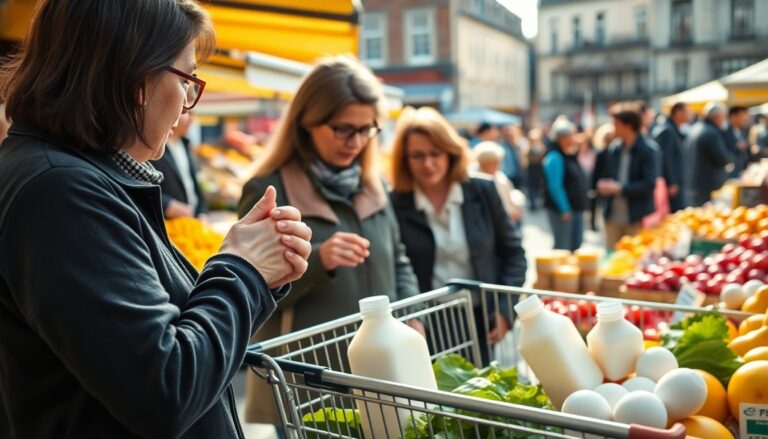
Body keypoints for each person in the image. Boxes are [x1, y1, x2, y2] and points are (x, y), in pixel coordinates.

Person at [0, 1, 312, 438]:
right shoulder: (59, 191)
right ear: (135, 77)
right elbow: (166, 387)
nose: (188, 105)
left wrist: (257, 275)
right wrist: (242, 271)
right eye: (186, 79)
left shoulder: (74, 177)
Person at [237, 55, 420, 427]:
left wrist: (412, 314)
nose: (356, 141)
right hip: (307, 386)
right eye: (343, 129)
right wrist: (320, 259)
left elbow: (398, 260)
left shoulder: (374, 185)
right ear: (307, 123)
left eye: (367, 129)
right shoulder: (268, 190)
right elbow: (248, 291)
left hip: (381, 371)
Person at [388, 107, 527, 363]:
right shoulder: (394, 203)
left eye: (435, 153)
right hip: (423, 323)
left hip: (480, 317)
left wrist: (505, 309)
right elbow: (393, 268)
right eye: (417, 156)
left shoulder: (483, 190)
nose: (428, 164)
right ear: (404, 160)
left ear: (451, 152)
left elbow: (514, 254)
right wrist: (409, 315)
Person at [596, 103, 659, 248]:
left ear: (628, 126)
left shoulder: (648, 151)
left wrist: (620, 188)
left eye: (616, 124)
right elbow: (607, 174)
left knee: (634, 260)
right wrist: (603, 185)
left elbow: (649, 184)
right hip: (612, 216)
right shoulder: (614, 148)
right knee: (611, 261)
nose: (613, 128)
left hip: (636, 217)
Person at [543, 118, 588, 251]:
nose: (574, 139)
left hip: (575, 208)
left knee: (575, 244)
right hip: (563, 210)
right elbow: (555, 187)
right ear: (562, 138)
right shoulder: (554, 157)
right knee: (563, 247)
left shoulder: (568, 154)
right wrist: (564, 209)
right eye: (571, 136)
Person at [153, 111, 208, 218]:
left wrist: (202, 212)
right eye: (187, 113)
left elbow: (194, 185)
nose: (192, 120)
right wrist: (166, 205)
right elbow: (141, 185)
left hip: (191, 221)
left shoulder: (185, 144)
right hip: (168, 224)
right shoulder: (154, 148)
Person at [684, 102, 735, 207]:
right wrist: (733, 156)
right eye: (723, 117)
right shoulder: (711, 133)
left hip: (695, 182)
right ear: (717, 117)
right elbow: (721, 158)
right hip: (708, 184)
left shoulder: (695, 128)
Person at [652, 102, 691, 212]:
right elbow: (665, 159)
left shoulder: (674, 130)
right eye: (687, 112)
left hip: (677, 183)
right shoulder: (667, 131)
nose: (690, 114)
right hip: (672, 185)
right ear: (678, 113)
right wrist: (671, 182)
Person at [473, 140, 525, 223]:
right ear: (483, 162)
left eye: (498, 162)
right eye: (493, 162)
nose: (497, 165)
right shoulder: (477, 182)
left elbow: (509, 195)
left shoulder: (500, 176)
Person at [724, 105, 751, 178]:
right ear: (733, 117)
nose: (745, 119)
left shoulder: (743, 132)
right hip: (728, 176)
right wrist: (737, 148)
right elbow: (722, 155)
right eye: (742, 116)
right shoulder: (723, 132)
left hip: (742, 173)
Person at [527, 128, 546, 210]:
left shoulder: (542, 147)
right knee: (532, 188)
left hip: (539, 170)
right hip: (531, 170)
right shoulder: (528, 148)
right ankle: (533, 204)